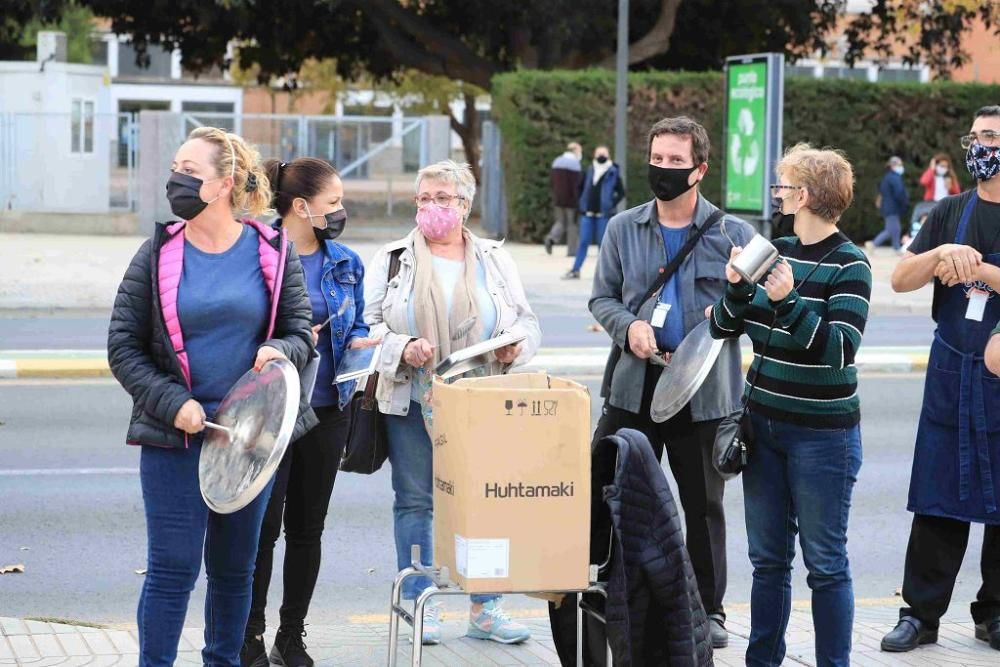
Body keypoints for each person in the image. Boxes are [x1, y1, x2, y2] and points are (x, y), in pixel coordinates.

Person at [107, 127, 316, 667]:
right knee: (172, 570)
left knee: (233, 572)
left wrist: (279, 349)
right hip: (173, 437)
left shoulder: (273, 251)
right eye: (175, 166)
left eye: (189, 170)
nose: (176, 178)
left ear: (225, 184)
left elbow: (300, 331)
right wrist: (172, 401)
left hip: (248, 442)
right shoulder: (156, 253)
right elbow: (122, 346)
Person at [548, 116, 754, 661]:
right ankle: (597, 587)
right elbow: (602, 299)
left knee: (702, 506)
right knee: (603, 490)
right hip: (633, 390)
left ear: (700, 169)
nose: (662, 170)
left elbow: (763, 305)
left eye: (675, 162)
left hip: (705, 395)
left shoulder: (735, 236)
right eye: (656, 159)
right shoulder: (622, 228)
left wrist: (730, 310)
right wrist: (629, 328)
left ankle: (707, 610)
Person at [364, 160, 542, 645]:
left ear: (465, 205)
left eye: (442, 198)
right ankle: (421, 606)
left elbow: (528, 324)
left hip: (481, 400)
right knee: (416, 502)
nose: (431, 208)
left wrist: (514, 346)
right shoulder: (394, 257)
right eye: (423, 198)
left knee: (485, 504)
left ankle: (486, 609)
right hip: (412, 395)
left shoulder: (493, 259)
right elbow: (366, 329)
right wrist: (402, 346)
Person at [710, 144, 872, 667]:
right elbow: (722, 327)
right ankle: (762, 661)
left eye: (782, 185)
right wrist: (735, 288)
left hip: (823, 437)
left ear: (804, 195)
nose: (776, 193)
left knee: (825, 564)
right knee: (768, 562)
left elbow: (839, 353)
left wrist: (789, 301)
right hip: (763, 429)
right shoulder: (773, 250)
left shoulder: (851, 264)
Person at [241, 158, 372, 667]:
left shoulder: (346, 263)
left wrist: (365, 342)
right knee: (261, 528)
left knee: (307, 529)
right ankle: (248, 635)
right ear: (301, 207)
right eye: (333, 203)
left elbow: (356, 323)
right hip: (270, 410)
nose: (340, 211)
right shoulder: (256, 254)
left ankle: (290, 636)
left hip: (327, 412)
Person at [881, 105, 1000, 654]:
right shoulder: (949, 210)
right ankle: (920, 615)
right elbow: (901, 277)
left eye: (992, 137)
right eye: (976, 137)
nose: (982, 147)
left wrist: (978, 269)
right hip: (953, 369)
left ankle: (994, 613)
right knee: (937, 494)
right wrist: (940, 254)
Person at [562, 145, 624, 279]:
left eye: (604, 153)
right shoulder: (589, 170)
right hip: (588, 214)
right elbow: (579, 188)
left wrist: (610, 204)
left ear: (608, 156)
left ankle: (606, 274)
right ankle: (575, 270)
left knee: (604, 245)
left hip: (603, 215)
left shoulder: (613, 171)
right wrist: (581, 203)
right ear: (594, 155)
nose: (601, 156)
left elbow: (621, 192)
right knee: (583, 242)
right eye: (599, 153)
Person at [545, 142, 584, 256]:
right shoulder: (575, 164)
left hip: (558, 199)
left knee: (560, 222)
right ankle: (572, 251)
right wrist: (578, 200)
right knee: (572, 225)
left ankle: (551, 238)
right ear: (575, 151)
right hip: (571, 201)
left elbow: (552, 181)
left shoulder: (557, 161)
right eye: (579, 151)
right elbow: (576, 185)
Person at [871, 155, 910, 251]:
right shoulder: (894, 178)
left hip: (888, 206)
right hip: (892, 207)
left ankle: (896, 247)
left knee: (896, 229)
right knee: (891, 230)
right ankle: (873, 244)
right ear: (893, 165)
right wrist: (904, 203)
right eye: (900, 165)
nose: (901, 167)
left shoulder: (888, 177)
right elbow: (899, 193)